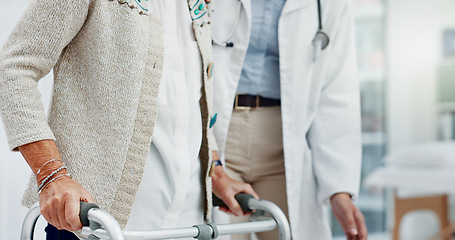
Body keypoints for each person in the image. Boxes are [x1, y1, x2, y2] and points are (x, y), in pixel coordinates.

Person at [0, 0, 256, 239]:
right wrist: (51, 175)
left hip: (190, 224)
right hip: (96, 224)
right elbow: (15, 67)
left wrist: (216, 171)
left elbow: (190, 99)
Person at [210, 0, 368, 239]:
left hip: (284, 142)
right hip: (215, 132)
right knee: (219, 230)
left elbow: (336, 91)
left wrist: (339, 190)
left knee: (289, 232)